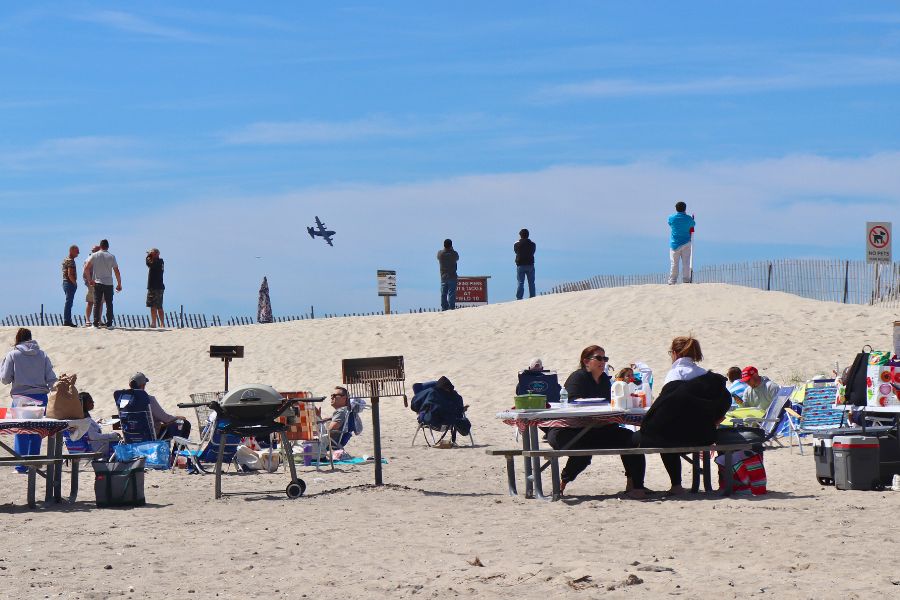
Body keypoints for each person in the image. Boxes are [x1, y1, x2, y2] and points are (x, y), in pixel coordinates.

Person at [634, 336, 731, 495]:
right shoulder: (707, 377)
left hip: (676, 437)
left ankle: (640, 487)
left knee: (636, 439)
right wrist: (713, 421)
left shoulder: (675, 374)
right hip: (703, 436)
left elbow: (664, 410)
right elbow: (726, 401)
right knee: (667, 434)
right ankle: (677, 486)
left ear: (674, 353)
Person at [550, 345, 646, 498]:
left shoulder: (604, 380)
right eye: (599, 358)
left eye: (605, 358)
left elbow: (611, 403)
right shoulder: (578, 377)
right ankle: (561, 485)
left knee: (631, 440)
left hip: (599, 428)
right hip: (570, 429)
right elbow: (571, 402)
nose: (603, 362)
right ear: (586, 361)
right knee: (583, 453)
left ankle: (635, 486)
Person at [0, 328, 57, 473]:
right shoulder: (42, 354)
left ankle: (21, 466)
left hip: (21, 397)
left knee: (21, 432)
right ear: (31, 338)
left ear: (18, 339)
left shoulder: (13, 354)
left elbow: (5, 379)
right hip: (40, 397)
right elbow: (51, 378)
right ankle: (33, 464)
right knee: (36, 432)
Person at [126, 372, 191, 439]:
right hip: (150, 436)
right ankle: (177, 446)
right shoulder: (148, 399)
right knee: (185, 424)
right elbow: (165, 418)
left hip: (132, 436)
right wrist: (177, 417)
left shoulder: (125, 401)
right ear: (143, 385)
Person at [85, 239, 122, 329]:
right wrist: (119, 284)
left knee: (97, 303)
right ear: (108, 246)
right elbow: (116, 271)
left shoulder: (94, 255)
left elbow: (86, 268)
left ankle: (95, 323)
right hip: (109, 283)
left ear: (100, 246)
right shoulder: (111, 256)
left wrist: (90, 280)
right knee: (109, 304)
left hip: (98, 282)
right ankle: (109, 324)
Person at [78, 391, 121, 458]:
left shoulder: (80, 417)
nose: (93, 402)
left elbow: (89, 430)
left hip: (90, 445)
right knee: (118, 440)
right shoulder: (85, 420)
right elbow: (93, 436)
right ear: (83, 404)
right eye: (90, 401)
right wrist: (112, 435)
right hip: (96, 448)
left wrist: (95, 423)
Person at [667, 201, 695, 285]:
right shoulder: (689, 218)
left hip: (674, 244)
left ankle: (672, 281)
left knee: (674, 263)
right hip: (686, 243)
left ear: (676, 209)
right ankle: (686, 280)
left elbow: (670, 223)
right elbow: (693, 224)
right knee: (686, 263)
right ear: (685, 209)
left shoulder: (671, 218)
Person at [145, 248, 166, 328]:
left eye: (152, 253)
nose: (150, 255)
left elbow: (150, 264)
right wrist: (149, 256)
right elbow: (149, 264)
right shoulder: (156, 261)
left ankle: (161, 324)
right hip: (153, 286)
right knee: (152, 306)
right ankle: (154, 323)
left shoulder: (159, 261)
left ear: (156, 254)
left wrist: (148, 257)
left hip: (157, 287)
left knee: (158, 306)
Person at [514, 228, 536, 300]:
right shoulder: (533, 244)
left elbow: (516, 251)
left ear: (520, 235)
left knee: (520, 282)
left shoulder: (516, 244)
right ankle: (532, 296)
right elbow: (533, 252)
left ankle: (519, 297)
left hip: (520, 265)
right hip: (530, 265)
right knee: (531, 282)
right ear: (528, 235)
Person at [437, 238, 459, 311]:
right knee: (451, 293)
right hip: (452, 276)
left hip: (443, 277)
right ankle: (451, 307)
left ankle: (444, 308)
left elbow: (438, 256)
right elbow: (457, 258)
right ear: (451, 245)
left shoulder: (440, 254)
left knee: (443, 294)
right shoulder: (454, 254)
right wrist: (452, 250)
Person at [61, 245, 79, 327]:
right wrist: (75, 283)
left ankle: (67, 320)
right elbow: (70, 274)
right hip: (69, 283)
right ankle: (67, 321)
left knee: (68, 302)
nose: (78, 253)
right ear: (72, 251)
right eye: (77, 251)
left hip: (65, 282)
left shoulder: (65, 259)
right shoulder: (70, 261)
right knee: (69, 302)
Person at [82, 245, 100, 327]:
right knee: (90, 302)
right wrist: (88, 282)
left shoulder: (99, 259)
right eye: (94, 250)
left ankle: (99, 320)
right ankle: (88, 320)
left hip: (99, 283)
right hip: (91, 283)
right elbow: (85, 273)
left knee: (100, 302)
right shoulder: (88, 259)